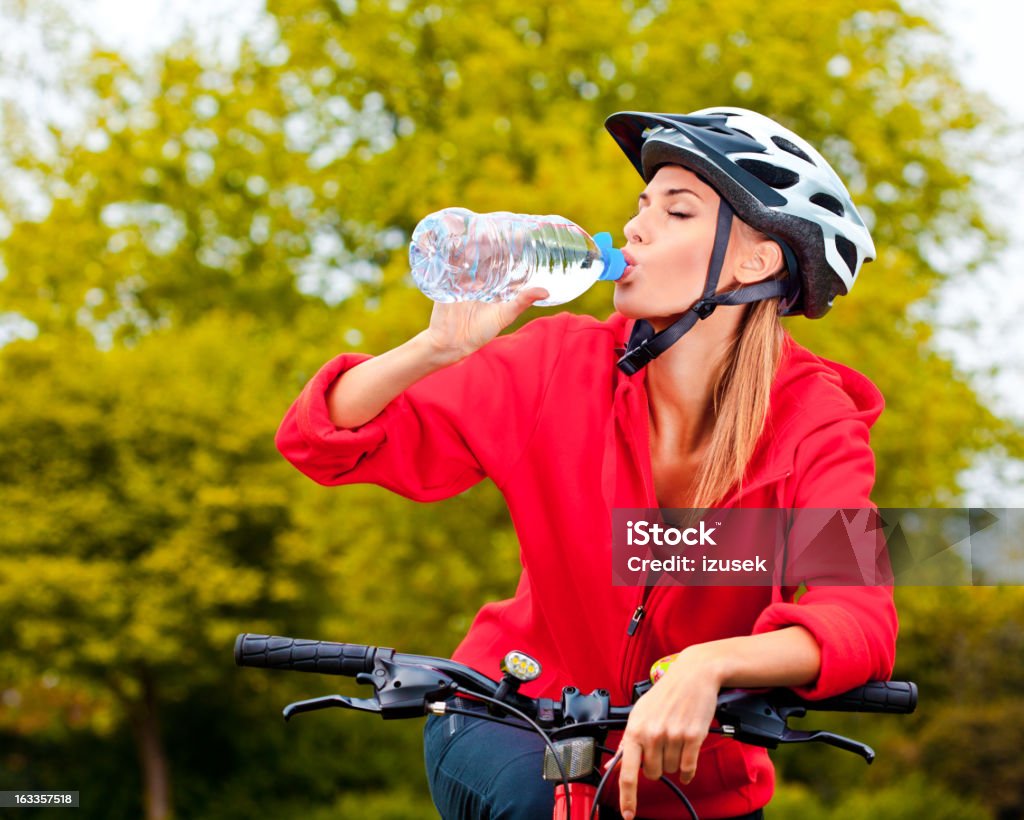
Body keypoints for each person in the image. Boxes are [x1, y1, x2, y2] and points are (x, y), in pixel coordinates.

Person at [274, 107, 898, 819]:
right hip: (511, 716)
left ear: (756, 260)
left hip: (692, 782)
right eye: (641, 206)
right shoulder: (558, 363)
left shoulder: (816, 422)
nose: (636, 228)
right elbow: (325, 438)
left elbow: (858, 620)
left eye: (678, 210)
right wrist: (433, 351)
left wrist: (710, 664)